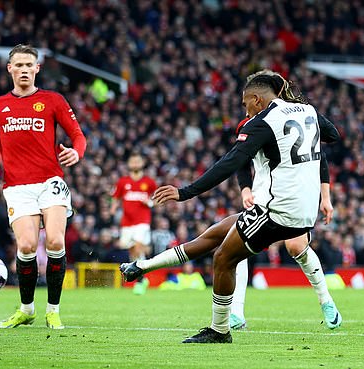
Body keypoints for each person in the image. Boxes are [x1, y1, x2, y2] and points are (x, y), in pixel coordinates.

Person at [122, 71, 342, 331]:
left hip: (276, 209)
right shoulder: (306, 111)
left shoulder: (262, 122)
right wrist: (246, 188)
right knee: (216, 236)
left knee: (224, 257)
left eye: (245, 102)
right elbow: (331, 136)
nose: (244, 107)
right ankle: (142, 266)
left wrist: (185, 192)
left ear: (257, 100)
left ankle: (220, 328)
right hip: (297, 208)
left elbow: (230, 162)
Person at [0, 44, 86, 329]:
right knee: (27, 246)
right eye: (19, 65)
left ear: (37, 68)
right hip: (17, 186)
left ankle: (52, 310)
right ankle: (27, 309)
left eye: (29, 65)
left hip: (50, 182)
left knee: (55, 241)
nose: (24, 70)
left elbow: (78, 135)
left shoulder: (53, 100)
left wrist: (77, 153)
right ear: (10, 69)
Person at [110, 151, 157, 295]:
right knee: (131, 250)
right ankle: (142, 277)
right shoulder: (123, 182)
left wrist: (149, 202)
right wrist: (112, 209)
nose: (135, 164)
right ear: (129, 164)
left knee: (137, 247)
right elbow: (116, 197)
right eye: (133, 161)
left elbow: (156, 198)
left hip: (142, 221)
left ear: (142, 163)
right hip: (126, 222)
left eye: (138, 161)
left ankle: (141, 280)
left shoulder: (149, 182)